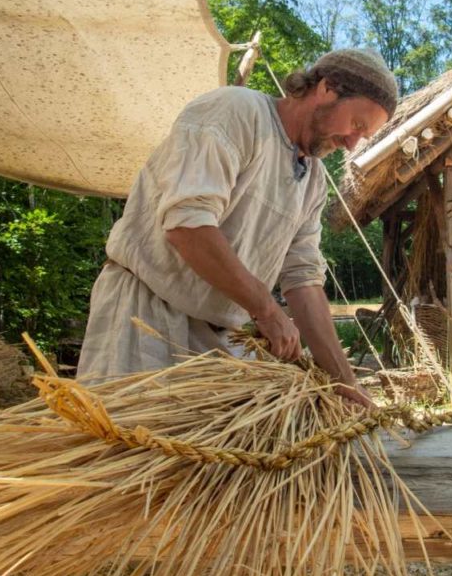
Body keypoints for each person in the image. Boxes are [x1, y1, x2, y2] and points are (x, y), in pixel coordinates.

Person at [76, 49, 398, 408]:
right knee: (128, 451)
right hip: (146, 317)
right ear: (327, 88)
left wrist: (345, 382)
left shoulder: (313, 182)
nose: (352, 143)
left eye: (363, 136)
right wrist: (267, 310)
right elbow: (187, 225)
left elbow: (303, 279)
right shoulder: (236, 113)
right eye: (356, 125)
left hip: (218, 339)